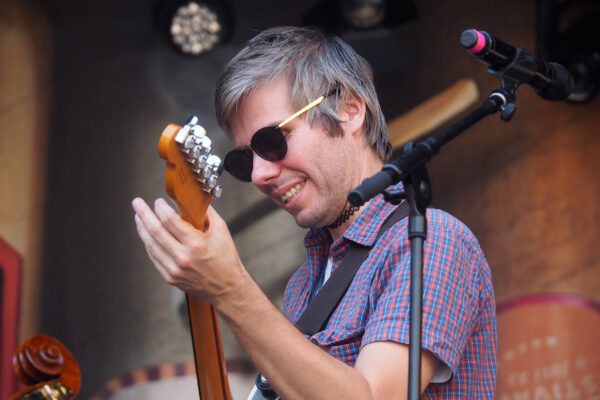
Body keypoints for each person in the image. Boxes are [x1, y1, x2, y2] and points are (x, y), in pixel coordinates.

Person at [132, 26, 496, 399]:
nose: (259, 174)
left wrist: (230, 289)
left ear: (349, 111)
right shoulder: (304, 285)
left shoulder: (431, 240)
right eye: (243, 160)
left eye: (272, 141)